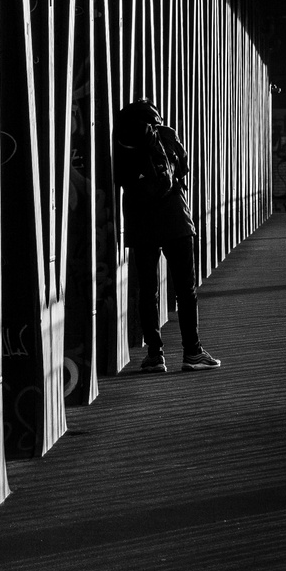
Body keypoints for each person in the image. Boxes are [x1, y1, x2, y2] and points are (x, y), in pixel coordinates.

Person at [115, 98, 221, 373]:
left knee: (147, 291)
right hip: (176, 221)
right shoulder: (167, 135)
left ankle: (155, 355)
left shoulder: (122, 141)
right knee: (186, 290)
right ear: (155, 118)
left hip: (142, 225)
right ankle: (192, 352)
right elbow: (184, 168)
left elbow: (117, 179)